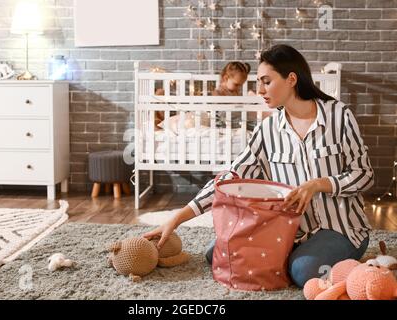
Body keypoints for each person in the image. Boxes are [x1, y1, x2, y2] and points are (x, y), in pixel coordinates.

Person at [143, 44, 374, 288]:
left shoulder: (339, 116)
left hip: (341, 228)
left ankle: (355, 268)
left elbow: (364, 175)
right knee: (217, 255)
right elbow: (231, 178)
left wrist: (319, 184)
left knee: (302, 271)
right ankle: (290, 256)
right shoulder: (267, 129)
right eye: (258, 82)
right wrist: (177, 218)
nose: (259, 90)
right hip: (291, 229)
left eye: (266, 81)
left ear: (291, 79)